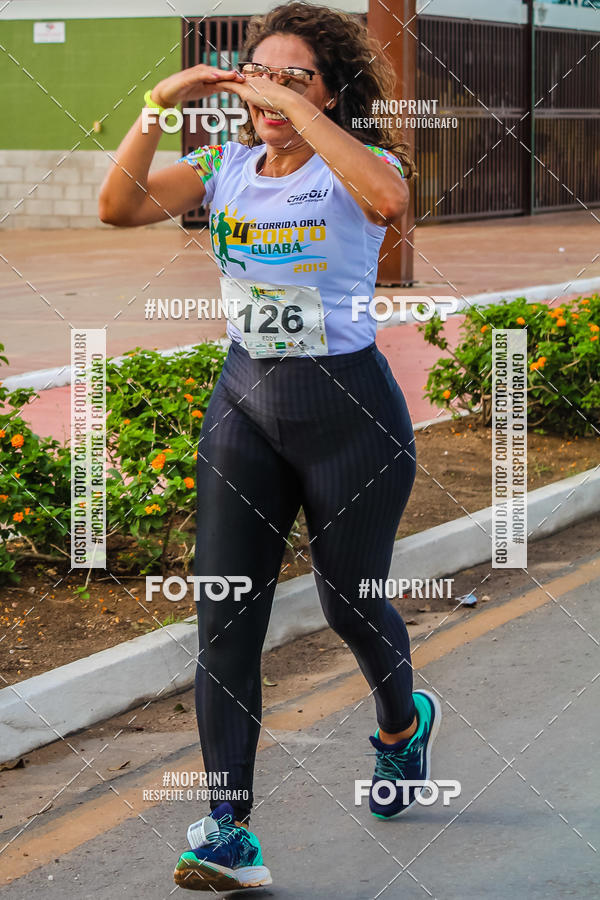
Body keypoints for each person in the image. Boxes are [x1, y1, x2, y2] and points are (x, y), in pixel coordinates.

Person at [99, 2, 441, 892]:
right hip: (244, 408)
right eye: (260, 74)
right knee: (224, 618)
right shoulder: (224, 167)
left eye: (297, 76)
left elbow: (391, 202)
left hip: (350, 418)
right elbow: (118, 207)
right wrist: (159, 103)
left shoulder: (364, 166)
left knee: (350, 604)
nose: (270, 90)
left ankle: (403, 729)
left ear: (334, 91)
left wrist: (305, 114)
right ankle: (226, 829)